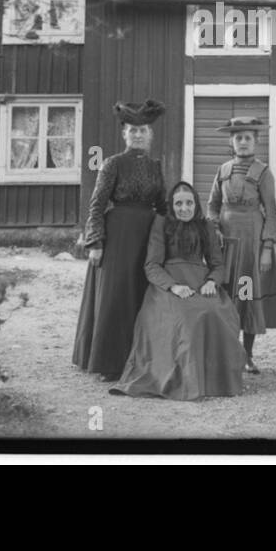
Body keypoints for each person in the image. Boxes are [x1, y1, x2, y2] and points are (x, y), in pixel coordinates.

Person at [110, 182, 246, 400]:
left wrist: (212, 281)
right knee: (186, 317)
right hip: (169, 286)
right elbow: (152, 265)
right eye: (179, 204)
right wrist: (173, 286)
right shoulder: (162, 224)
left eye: (189, 203)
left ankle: (215, 379)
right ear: (172, 206)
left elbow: (217, 264)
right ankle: (186, 381)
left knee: (216, 313)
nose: (184, 208)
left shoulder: (206, 226)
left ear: (196, 204)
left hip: (201, 283)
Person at [72, 99, 167, 382]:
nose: (138, 135)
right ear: (124, 134)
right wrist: (95, 242)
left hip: (146, 237)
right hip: (117, 239)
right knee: (115, 297)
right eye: (132, 130)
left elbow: (162, 206)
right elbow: (96, 205)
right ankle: (109, 362)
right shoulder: (111, 164)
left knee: (141, 296)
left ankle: (138, 359)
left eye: (144, 130)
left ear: (151, 134)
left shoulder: (155, 166)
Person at [207, 116, 276, 373]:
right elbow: (213, 205)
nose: (242, 142)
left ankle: (247, 355)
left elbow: (272, 213)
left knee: (246, 293)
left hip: (251, 242)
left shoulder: (263, 172)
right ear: (231, 141)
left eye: (247, 138)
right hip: (226, 242)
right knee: (227, 293)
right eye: (238, 138)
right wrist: (214, 227)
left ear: (256, 141)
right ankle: (227, 351)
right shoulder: (223, 170)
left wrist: (266, 248)